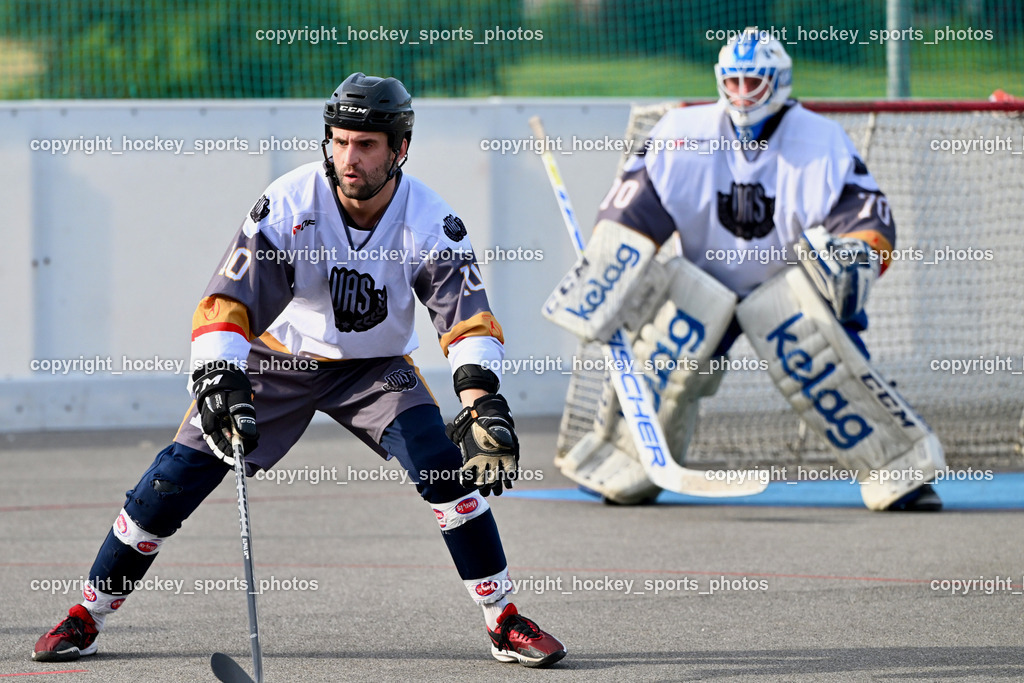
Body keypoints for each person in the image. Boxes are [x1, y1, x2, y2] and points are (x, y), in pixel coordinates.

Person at [32, 72, 566, 669]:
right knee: (170, 481)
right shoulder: (288, 204)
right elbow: (227, 303)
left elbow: (466, 319)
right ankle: (87, 614)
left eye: (365, 145)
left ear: (400, 149)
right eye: (339, 141)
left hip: (375, 368)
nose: (348, 158)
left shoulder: (432, 222)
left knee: (443, 469)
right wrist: (218, 377)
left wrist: (480, 400)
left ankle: (504, 621)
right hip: (277, 361)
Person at [544, 28, 945, 511]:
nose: (740, 93)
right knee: (663, 364)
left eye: (752, 81)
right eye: (731, 81)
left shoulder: (820, 141)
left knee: (824, 364)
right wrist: (608, 273)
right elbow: (632, 210)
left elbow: (867, 218)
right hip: (702, 276)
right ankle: (624, 462)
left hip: (784, 284)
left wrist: (855, 255)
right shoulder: (681, 132)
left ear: (779, 81)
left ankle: (900, 472)